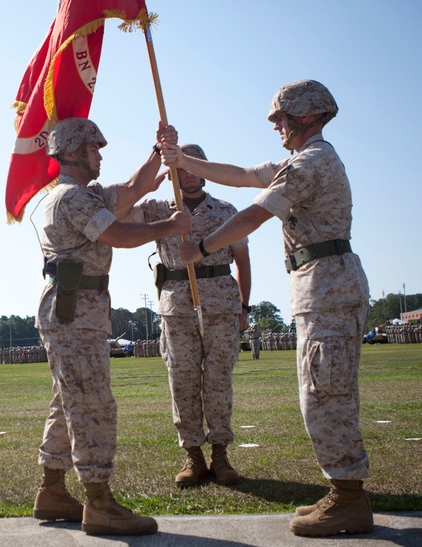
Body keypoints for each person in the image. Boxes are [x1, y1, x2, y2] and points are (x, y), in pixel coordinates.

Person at [160, 80, 373, 537]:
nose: (276, 124)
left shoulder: (311, 163)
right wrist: (182, 161)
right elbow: (240, 174)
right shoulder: (299, 161)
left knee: (326, 393)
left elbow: (255, 212)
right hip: (319, 285)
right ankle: (342, 489)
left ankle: (349, 497)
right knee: (321, 391)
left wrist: (202, 245)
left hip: (329, 286)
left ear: (309, 116)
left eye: (282, 116)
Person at [33, 117, 191, 536]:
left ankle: (52, 493)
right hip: (76, 312)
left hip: (77, 310)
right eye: (94, 149)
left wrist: (159, 151)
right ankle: (100, 504)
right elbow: (119, 233)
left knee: (67, 404)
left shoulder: (84, 195)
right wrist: (170, 227)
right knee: (92, 406)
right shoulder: (72, 199)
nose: (100, 155)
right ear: (71, 153)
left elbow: (136, 188)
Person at [127, 143, 251, 489]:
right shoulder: (155, 209)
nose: (188, 173)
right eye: (180, 168)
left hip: (222, 305)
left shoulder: (226, 210)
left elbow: (242, 261)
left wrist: (244, 306)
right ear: (172, 173)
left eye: (194, 166)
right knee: (182, 380)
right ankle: (193, 456)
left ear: (205, 169)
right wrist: (150, 181)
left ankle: (220, 454)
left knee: (217, 379)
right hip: (177, 307)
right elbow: (118, 214)